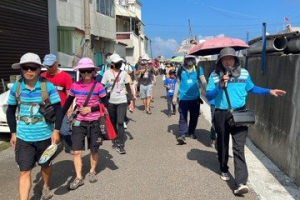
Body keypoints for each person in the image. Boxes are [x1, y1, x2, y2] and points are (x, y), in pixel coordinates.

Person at [206, 47, 286, 195]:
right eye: (225, 59)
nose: (228, 61)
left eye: (230, 58)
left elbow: (252, 88)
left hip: (240, 114)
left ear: (236, 59)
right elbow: (209, 95)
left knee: (239, 148)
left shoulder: (244, 73)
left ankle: (240, 182)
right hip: (221, 114)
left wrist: (269, 91)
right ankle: (223, 167)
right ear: (220, 61)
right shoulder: (214, 75)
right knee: (223, 144)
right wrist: (220, 85)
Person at [7, 53, 61, 200]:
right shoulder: (17, 87)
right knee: (24, 171)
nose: (29, 71)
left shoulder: (47, 86)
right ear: (21, 69)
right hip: (23, 137)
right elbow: (10, 111)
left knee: (45, 165)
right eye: (26, 68)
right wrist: (13, 133)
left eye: (33, 68)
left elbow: (58, 109)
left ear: (39, 69)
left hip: (45, 135)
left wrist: (56, 131)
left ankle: (45, 186)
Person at [57, 57, 106, 190]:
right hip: (79, 122)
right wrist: (59, 119)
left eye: (88, 71)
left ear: (93, 72)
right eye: (83, 71)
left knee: (94, 149)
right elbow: (67, 103)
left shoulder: (99, 86)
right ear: (80, 72)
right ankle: (79, 177)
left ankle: (92, 171)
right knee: (76, 151)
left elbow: (105, 103)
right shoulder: (75, 86)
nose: (86, 74)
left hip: (95, 121)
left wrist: (91, 108)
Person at [101, 53, 133, 154]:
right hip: (111, 101)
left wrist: (130, 101)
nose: (119, 64)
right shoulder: (107, 73)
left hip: (122, 100)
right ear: (112, 64)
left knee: (120, 122)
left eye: (120, 62)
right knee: (112, 121)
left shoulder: (124, 73)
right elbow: (101, 86)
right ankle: (114, 139)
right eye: (117, 62)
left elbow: (128, 87)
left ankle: (121, 144)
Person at [41, 54, 73, 154]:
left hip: (62, 108)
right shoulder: (42, 77)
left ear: (56, 64)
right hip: (48, 109)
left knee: (65, 130)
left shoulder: (65, 76)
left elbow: (69, 94)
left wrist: (70, 108)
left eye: (50, 65)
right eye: (47, 66)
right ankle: (49, 150)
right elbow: (42, 93)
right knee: (47, 131)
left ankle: (72, 145)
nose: (48, 68)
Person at [173, 55, 206, 144]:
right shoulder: (180, 69)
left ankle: (191, 131)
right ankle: (182, 134)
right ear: (185, 59)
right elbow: (177, 83)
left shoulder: (198, 69)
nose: (190, 61)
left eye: (192, 59)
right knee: (182, 117)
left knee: (194, 117)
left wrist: (208, 91)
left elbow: (203, 81)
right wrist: (175, 96)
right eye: (188, 59)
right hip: (183, 98)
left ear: (194, 60)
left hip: (195, 98)